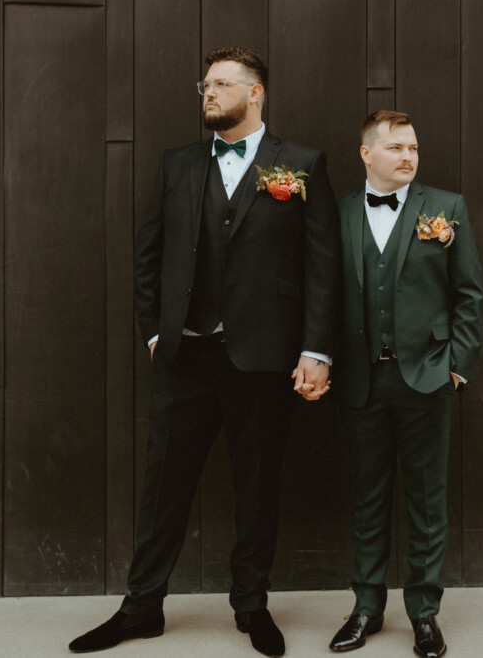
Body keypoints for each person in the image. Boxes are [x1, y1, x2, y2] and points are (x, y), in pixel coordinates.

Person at [69, 46, 340, 657]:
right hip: (186, 355)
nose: (209, 93)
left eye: (222, 84)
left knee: (258, 484)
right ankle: (141, 608)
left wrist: (316, 350)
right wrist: (155, 332)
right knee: (163, 486)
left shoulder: (300, 164)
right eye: (205, 84)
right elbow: (148, 254)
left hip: (265, 357)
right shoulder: (178, 165)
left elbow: (323, 266)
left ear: (256, 93)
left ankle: (252, 606)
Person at [328, 110, 483, 657]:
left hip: (427, 378)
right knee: (368, 498)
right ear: (366, 153)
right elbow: (322, 293)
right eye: (395, 148)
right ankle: (366, 608)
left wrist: (456, 365)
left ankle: (424, 614)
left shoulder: (446, 208)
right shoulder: (340, 212)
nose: (408, 157)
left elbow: (469, 295)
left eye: (413, 148)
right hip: (360, 379)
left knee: (426, 498)